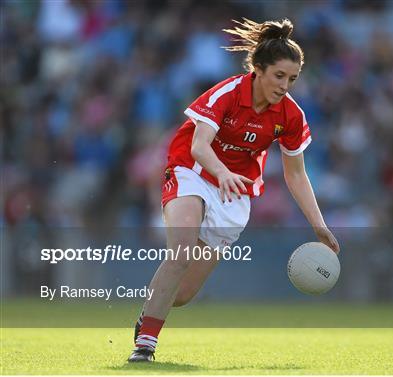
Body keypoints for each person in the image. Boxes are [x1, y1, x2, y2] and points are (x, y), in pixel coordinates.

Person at [128, 18, 340, 362]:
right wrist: (222, 171)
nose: (285, 85)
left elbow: (296, 175)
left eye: (292, 79)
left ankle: (147, 315)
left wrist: (319, 224)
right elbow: (198, 146)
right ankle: (145, 346)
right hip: (192, 172)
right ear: (258, 69)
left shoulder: (291, 116)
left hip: (234, 194)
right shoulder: (227, 92)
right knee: (180, 251)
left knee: (181, 295)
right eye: (279, 76)